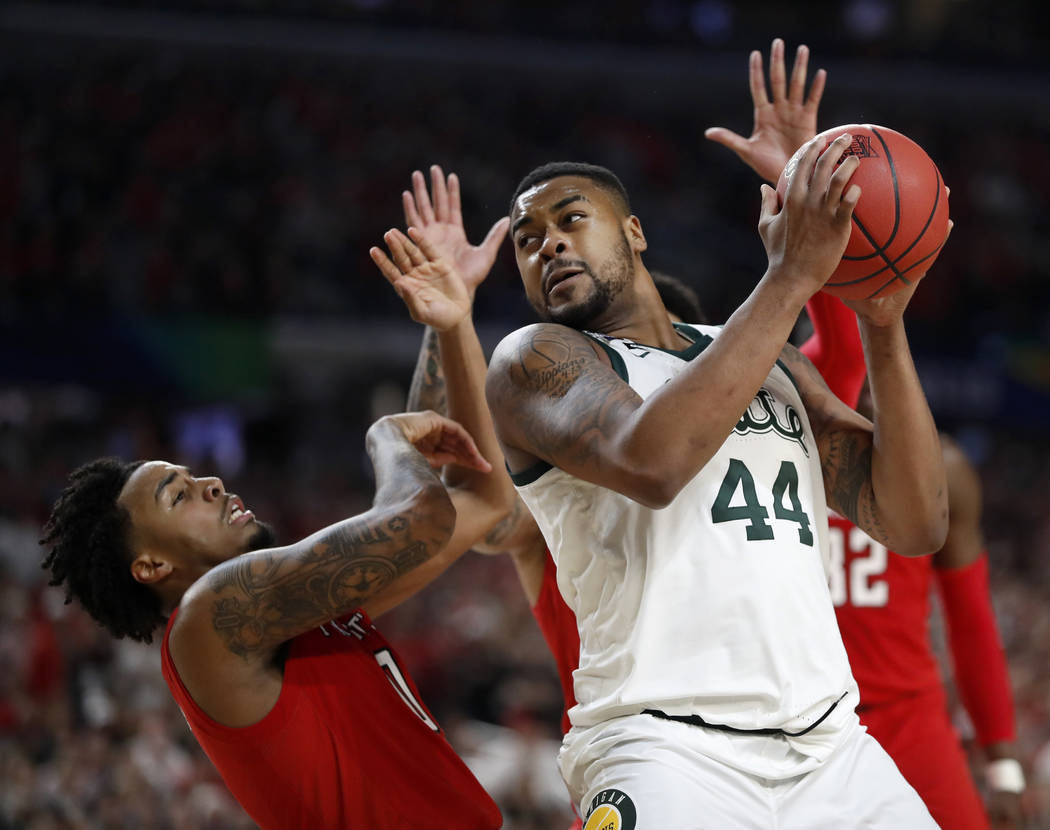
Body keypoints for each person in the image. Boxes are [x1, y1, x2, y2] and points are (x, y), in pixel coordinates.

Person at [480, 73, 952, 825]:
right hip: (664, 748)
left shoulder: (776, 362)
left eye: (572, 219)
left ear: (634, 233)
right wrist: (794, 275)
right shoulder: (532, 362)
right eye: (529, 242)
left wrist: (883, 322)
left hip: (832, 748)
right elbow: (652, 462)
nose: (550, 245)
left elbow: (915, 522)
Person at [708, 38, 1026, 830]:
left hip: (911, 719)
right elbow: (839, 350)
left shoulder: (941, 465)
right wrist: (801, 205)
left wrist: (1005, 760)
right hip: (792, 722)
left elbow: (972, 619)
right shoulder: (766, 428)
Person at [40, 324, 512, 825]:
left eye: (193, 475)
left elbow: (483, 502)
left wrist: (452, 320)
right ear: (152, 566)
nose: (211, 483)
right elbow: (419, 518)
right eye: (177, 496)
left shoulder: (292, 616)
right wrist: (386, 437)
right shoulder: (210, 617)